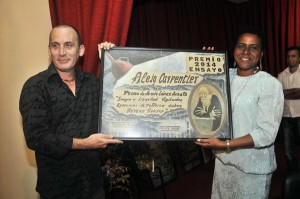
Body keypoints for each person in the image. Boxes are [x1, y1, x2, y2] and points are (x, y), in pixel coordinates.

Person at [19, 24, 122, 199]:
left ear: (80, 50)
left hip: (94, 187)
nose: (61, 52)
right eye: (55, 45)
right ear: (49, 51)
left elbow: (116, 107)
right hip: (58, 191)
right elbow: (36, 137)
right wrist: (84, 143)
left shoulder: (93, 83)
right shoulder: (35, 87)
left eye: (68, 45)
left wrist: (110, 63)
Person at [195, 27, 284, 198]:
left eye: (253, 47)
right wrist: (201, 66)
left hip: (253, 167)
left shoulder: (270, 84)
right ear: (234, 50)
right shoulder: (222, 76)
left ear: (261, 54)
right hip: (224, 163)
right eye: (241, 46)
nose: (246, 52)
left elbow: (265, 134)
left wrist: (226, 145)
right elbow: (202, 99)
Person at [277, 46, 300, 173]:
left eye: (293, 56)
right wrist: (296, 91)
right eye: (288, 56)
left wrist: (286, 93)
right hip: (286, 117)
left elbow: (284, 93)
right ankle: (293, 174)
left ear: (299, 58)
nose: (290, 59)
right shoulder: (281, 75)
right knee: (287, 149)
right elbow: (278, 95)